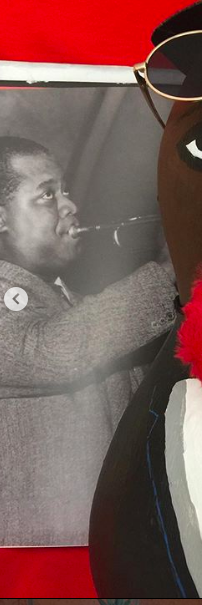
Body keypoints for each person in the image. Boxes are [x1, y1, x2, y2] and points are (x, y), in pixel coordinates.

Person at [0, 136, 177, 546]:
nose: (70, 205)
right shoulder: (76, 327)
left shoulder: (87, 314)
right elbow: (54, 351)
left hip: (108, 549)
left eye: (65, 190)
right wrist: (169, 272)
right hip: (32, 562)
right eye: (47, 194)